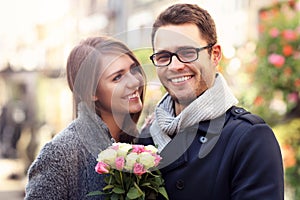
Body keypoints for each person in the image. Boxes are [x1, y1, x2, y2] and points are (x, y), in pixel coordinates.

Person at [138, 3, 284, 200]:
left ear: (214, 55)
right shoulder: (146, 138)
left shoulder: (249, 137)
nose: (175, 66)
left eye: (188, 53)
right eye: (164, 56)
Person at [25, 36, 146, 199]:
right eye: (117, 77)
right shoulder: (61, 153)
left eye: (134, 69)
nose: (134, 81)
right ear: (91, 92)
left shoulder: (141, 144)